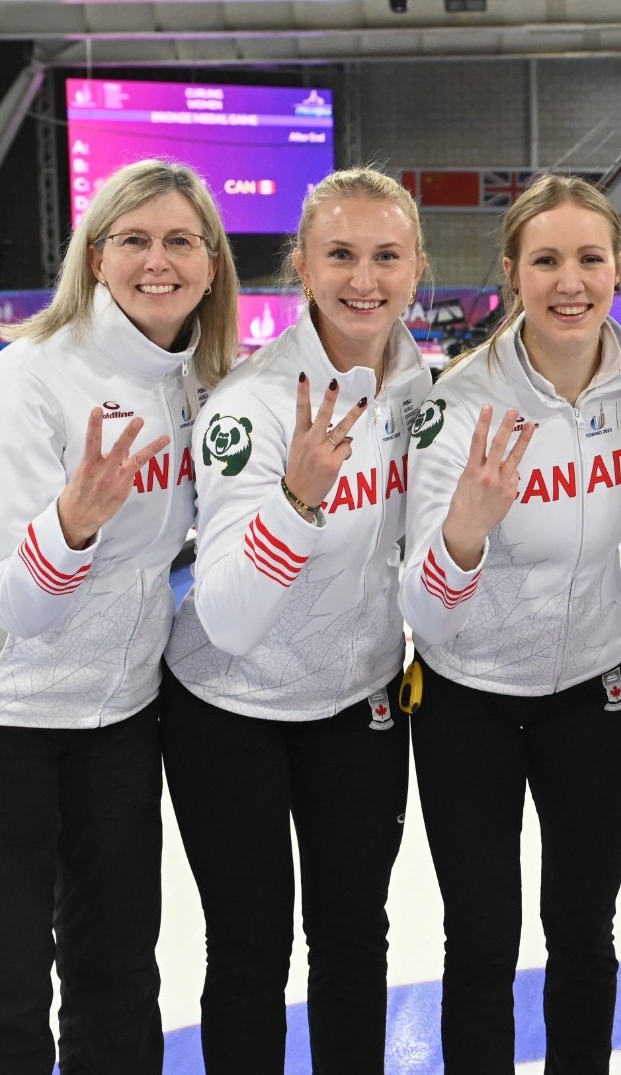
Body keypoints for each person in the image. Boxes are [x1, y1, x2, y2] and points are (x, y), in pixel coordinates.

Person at [0, 157, 239, 1073]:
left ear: (211, 263)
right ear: (95, 258)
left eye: (179, 240)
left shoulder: (199, 381)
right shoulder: (30, 379)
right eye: (133, 239)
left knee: (119, 976)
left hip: (115, 718)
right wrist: (74, 522)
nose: (156, 260)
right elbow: (18, 600)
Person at [160, 167, 432, 1073]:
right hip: (229, 709)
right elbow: (230, 614)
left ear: (417, 266)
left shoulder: (416, 383)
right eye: (341, 255)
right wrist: (297, 500)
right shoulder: (251, 406)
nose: (365, 278)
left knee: (355, 940)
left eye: (386, 255)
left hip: (356, 704)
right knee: (250, 949)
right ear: (302, 269)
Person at [398, 174, 621, 1070]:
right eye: (546, 259)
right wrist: (467, 528)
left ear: (619, 270)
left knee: (585, 932)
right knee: (480, 939)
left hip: (594, 690)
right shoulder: (459, 403)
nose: (570, 280)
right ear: (512, 272)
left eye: (590, 257)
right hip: (467, 701)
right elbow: (421, 607)